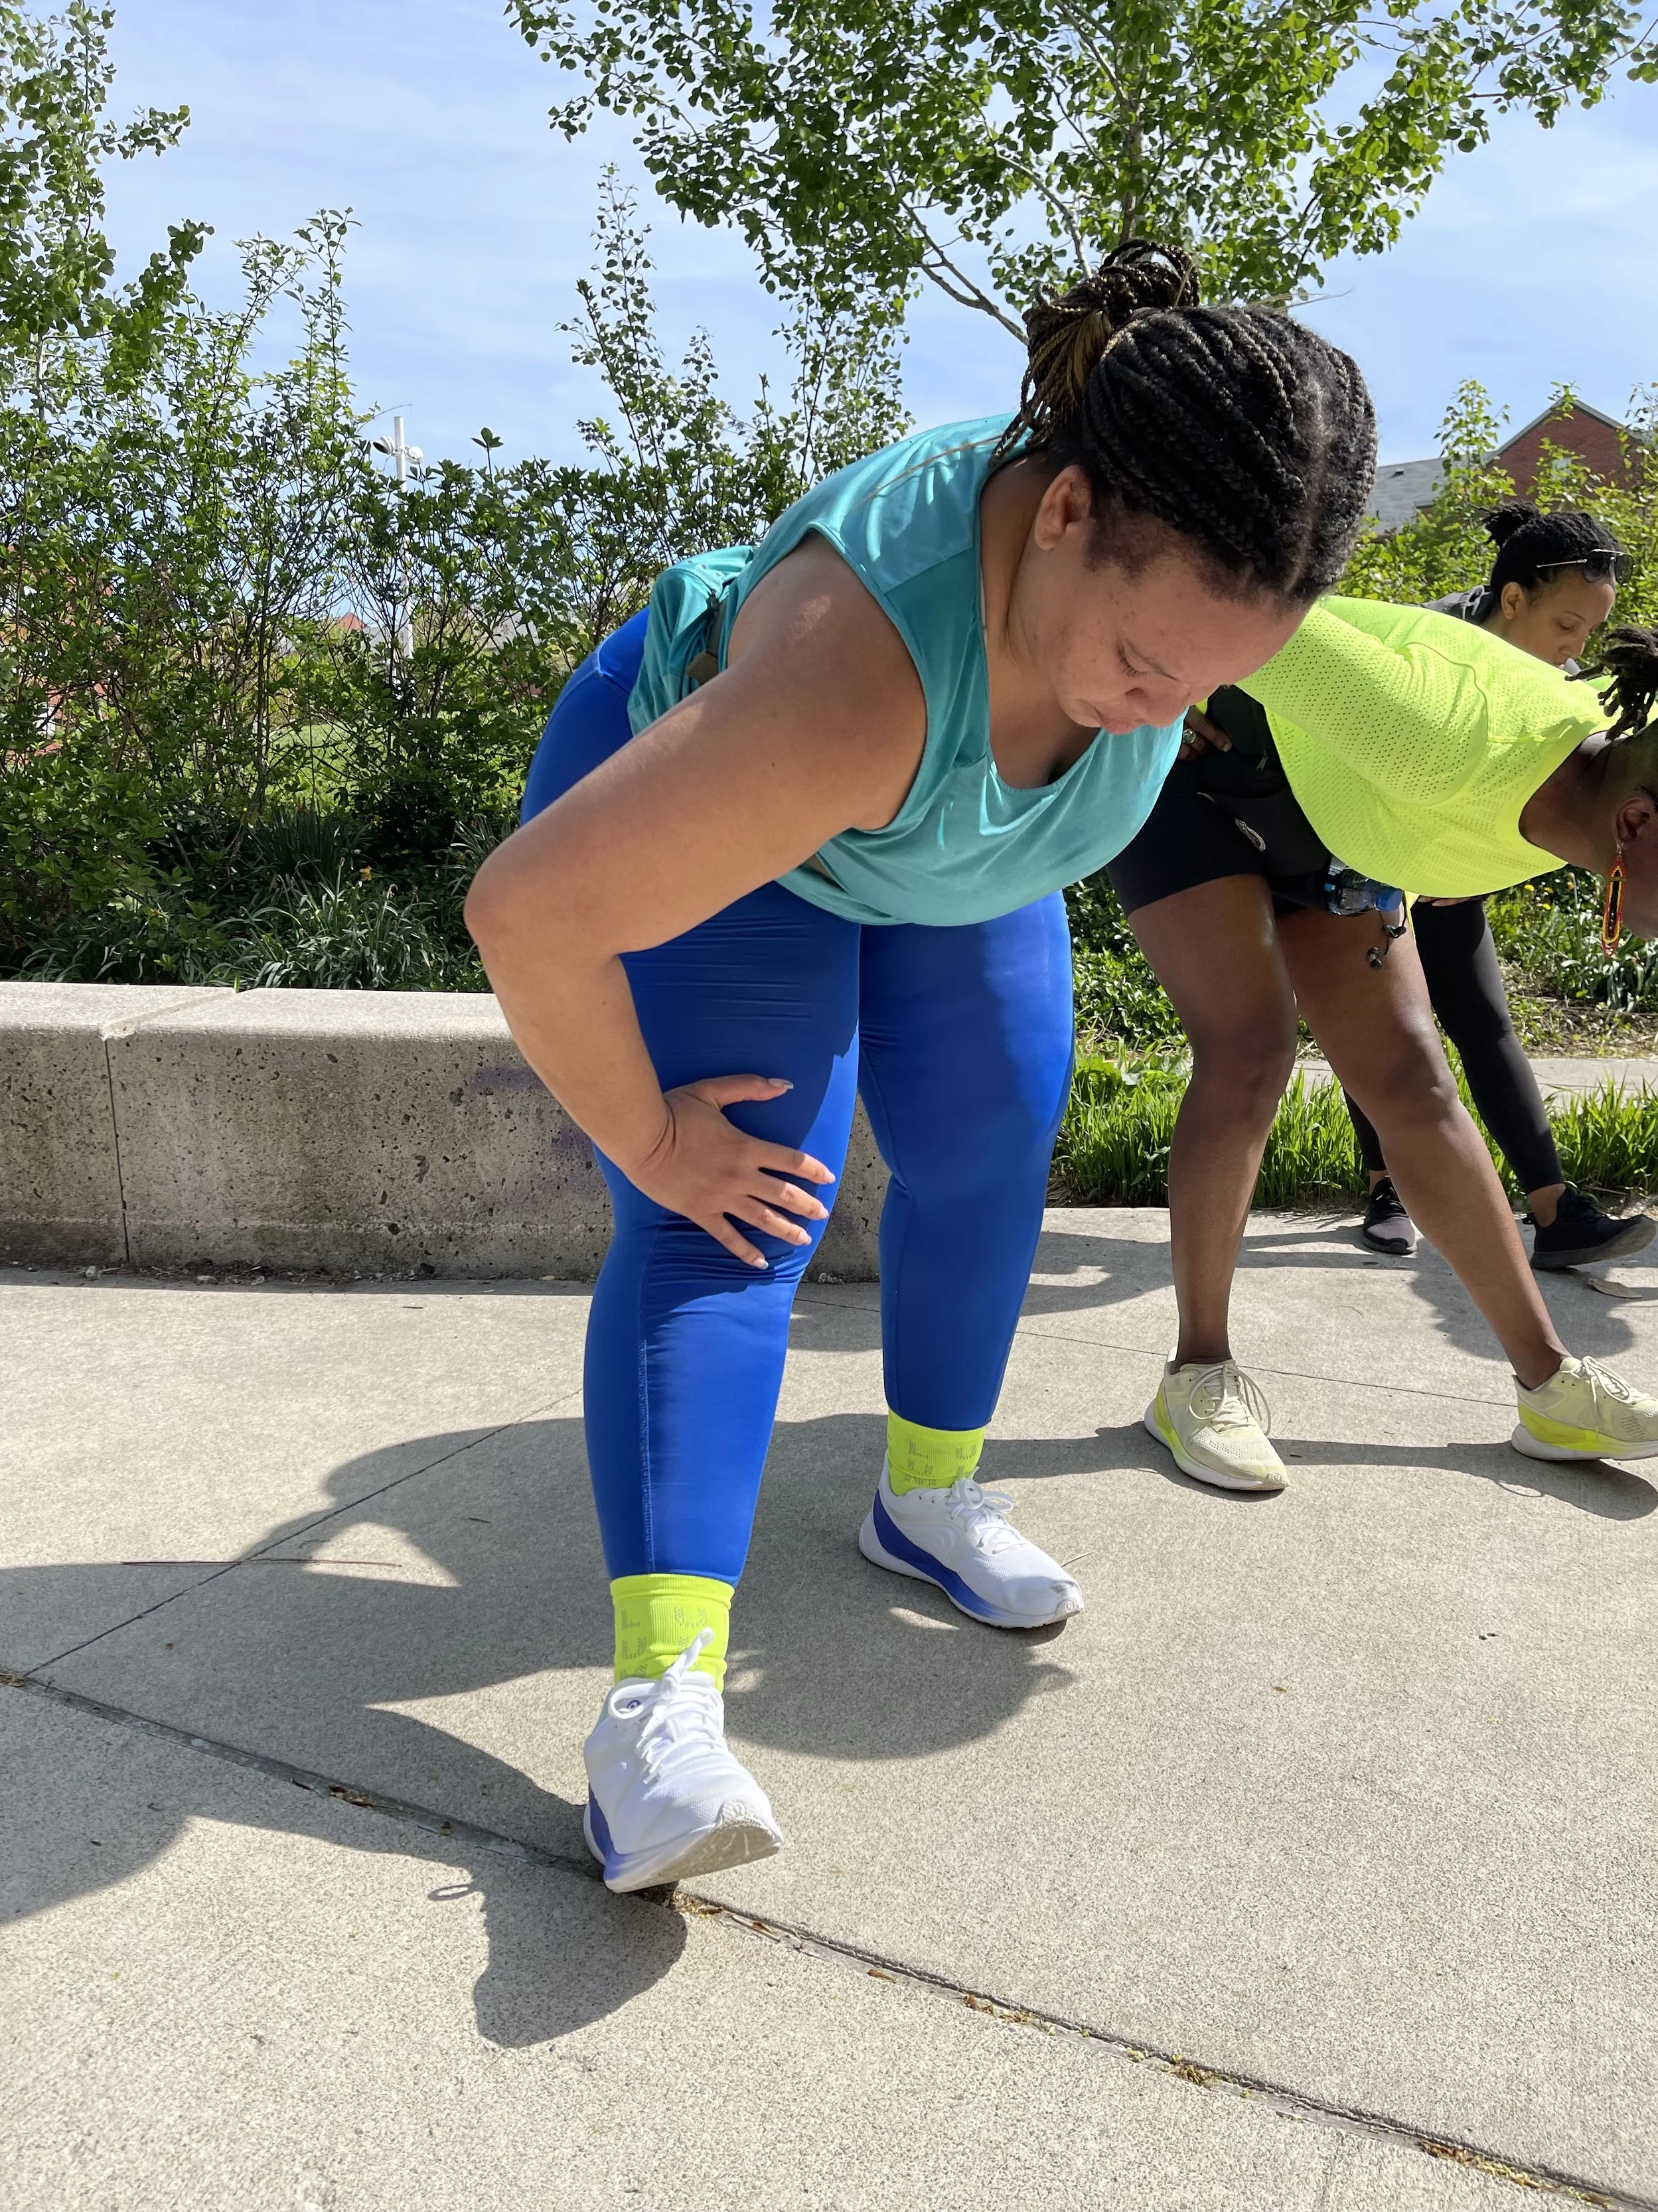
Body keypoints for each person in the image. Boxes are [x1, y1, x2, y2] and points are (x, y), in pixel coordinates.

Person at [465, 242, 1378, 1893]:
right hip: (744, 828)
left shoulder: (1168, 592)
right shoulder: (847, 681)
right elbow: (527, 916)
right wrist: (651, 1144)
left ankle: (925, 1499)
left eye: (1216, 683)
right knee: (732, 1217)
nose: (1163, 719)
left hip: (941, 846)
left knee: (987, 1140)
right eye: (1150, 666)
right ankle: (653, 1719)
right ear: (1069, 513)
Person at [1106, 597, 1658, 1497]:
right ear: (1634, 824)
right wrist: (1174, 683)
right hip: (1199, 780)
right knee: (1251, 1051)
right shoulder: (1436, 734)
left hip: (1334, 815)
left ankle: (1551, 1386)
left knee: (1412, 1080)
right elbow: (1229, 600)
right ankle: (1196, 1377)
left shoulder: (1618, 764)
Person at [1347, 503, 1653, 1271]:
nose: (1576, 651)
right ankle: (1387, 1188)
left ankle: (1556, 1214)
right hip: (1367, 860)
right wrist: (1406, 865)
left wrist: (1463, 865)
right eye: (1567, 627)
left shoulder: (1559, 683)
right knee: (1380, 1026)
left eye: (1589, 632)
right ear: (1512, 600)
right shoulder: (1424, 643)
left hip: (1454, 870)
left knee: (1484, 1021)